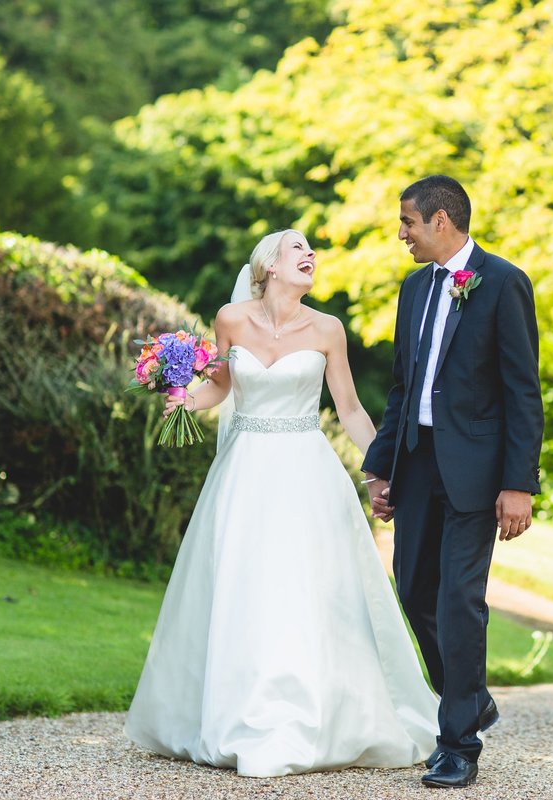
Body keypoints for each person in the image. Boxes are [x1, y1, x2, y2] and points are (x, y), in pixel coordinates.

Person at [124, 229, 439, 778]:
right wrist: (178, 395)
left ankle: (316, 716)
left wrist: (381, 466)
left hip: (305, 472)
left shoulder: (327, 329)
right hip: (244, 473)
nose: (310, 255)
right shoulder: (231, 319)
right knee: (243, 583)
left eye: (311, 250)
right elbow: (219, 388)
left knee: (307, 586)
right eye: (298, 248)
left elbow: (350, 409)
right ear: (269, 265)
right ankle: (236, 712)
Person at [361, 176, 543, 789]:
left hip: (478, 473)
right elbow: (400, 389)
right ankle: (471, 696)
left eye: (409, 222)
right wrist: (381, 467)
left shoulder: (503, 283)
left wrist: (520, 484)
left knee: (459, 601)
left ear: (441, 220)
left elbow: (523, 392)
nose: (402, 234)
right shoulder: (413, 289)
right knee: (412, 590)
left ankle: (458, 741)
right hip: (417, 463)